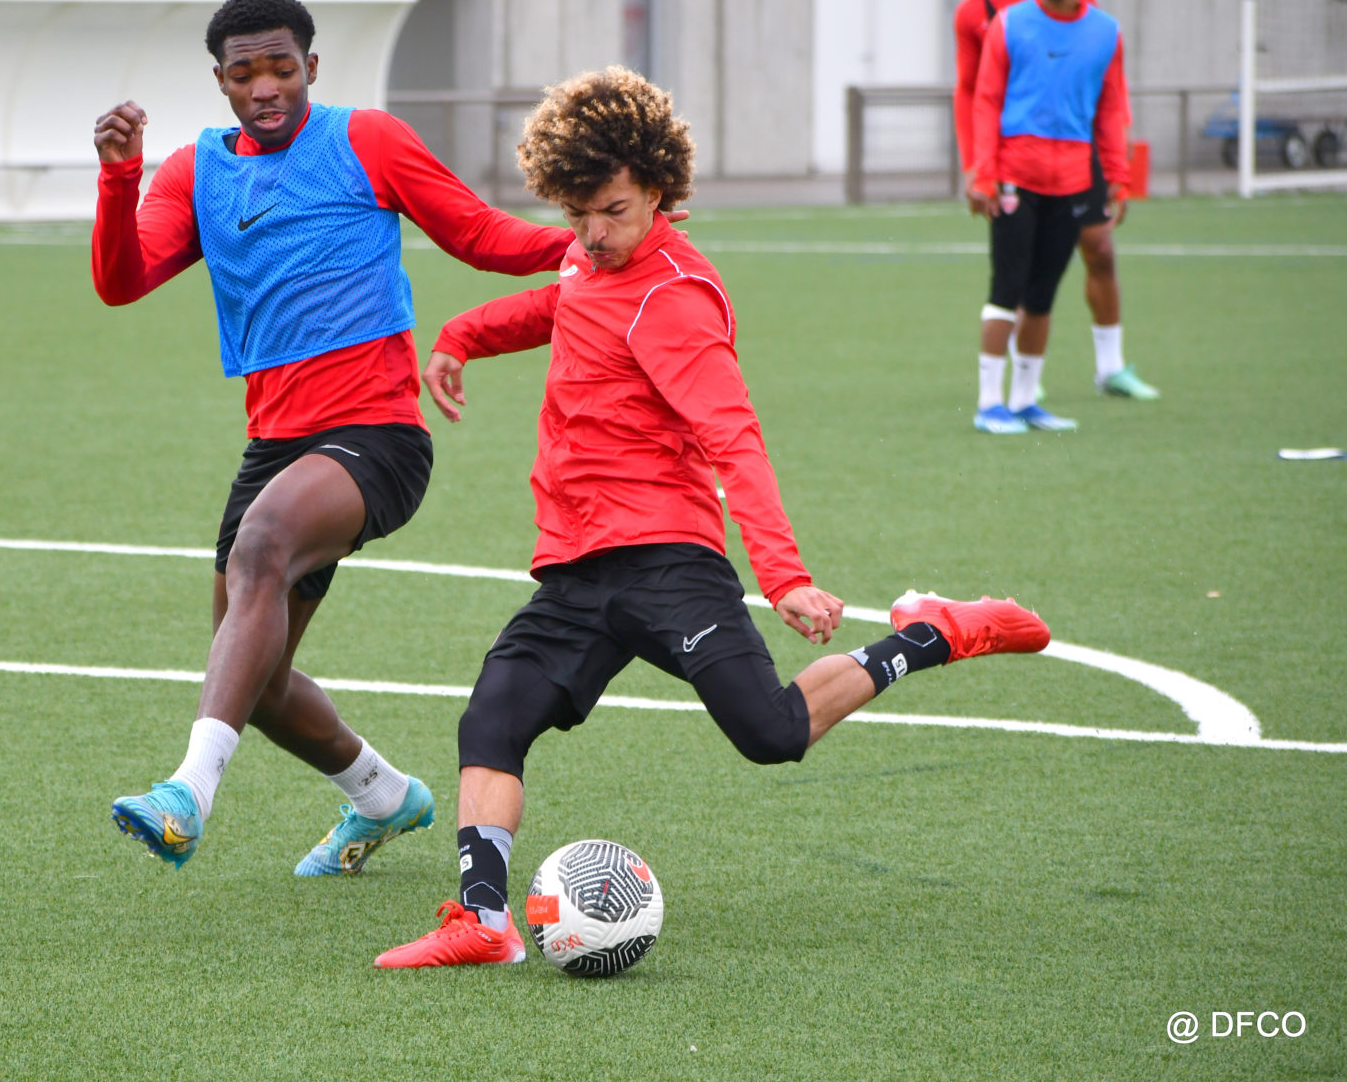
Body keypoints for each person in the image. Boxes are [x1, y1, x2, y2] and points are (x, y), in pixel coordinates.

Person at [374, 67, 1052, 968]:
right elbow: (562, 301)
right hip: (576, 564)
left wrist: (785, 576)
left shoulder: (676, 300)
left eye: (614, 211)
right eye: (578, 214)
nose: (593, 234)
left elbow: (735, 439)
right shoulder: (588, 257)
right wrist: (463, 336)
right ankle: (484, 923)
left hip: (666, 557)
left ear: (658, 188)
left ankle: (931, 633)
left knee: (772, 734)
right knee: (492, 721)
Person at [92, 0, 579, 874]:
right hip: (275, 450)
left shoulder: (367, 139)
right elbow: (121, 283)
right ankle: (384, 797)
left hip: (378, 437)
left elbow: (478, 234)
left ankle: (188, 793)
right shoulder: (194, 171)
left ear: (310, 67)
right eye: (245, 73)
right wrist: (119, 177)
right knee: (258, 681)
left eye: (282, 68)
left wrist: (587, 242)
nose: (265, 87)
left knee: (261, 546)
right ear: (220, 81)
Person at [953, 0, 1158, 405]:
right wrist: (975, 165)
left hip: (1076, 150)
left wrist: (1118, 153)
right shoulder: (978, 14)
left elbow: (1102, 75)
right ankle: (1016, 387)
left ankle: (1110, 367)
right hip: (1017, 157)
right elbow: (972, 92)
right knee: (1017, 273)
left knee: (1099, 249)